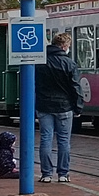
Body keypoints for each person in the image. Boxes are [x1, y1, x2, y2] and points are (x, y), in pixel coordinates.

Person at [37, 31, 85, 184]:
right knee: (64, 141)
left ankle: (46, 174)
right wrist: (78, 107)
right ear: (65, 46)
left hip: (44, 106)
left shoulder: (41, 61)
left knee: (46, 139)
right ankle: (63, 174)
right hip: (64, 107)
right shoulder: (70, 64)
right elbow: (76, 88)